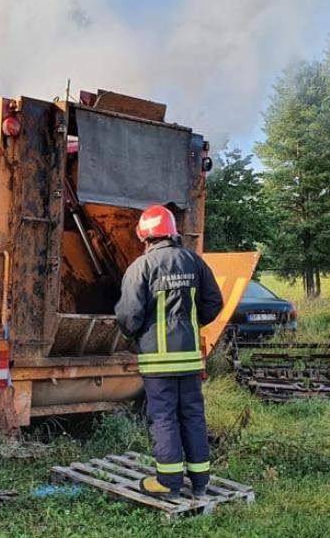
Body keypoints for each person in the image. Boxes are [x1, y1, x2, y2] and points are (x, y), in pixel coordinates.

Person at [115, 205, 223, 498]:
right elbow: (214, 303)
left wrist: (133, 334)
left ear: (144, 236)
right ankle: (200, 481)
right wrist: (190, 322)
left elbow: (128, 316)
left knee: (163, 417)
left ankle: (168, 482)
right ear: (172, 232)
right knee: (192, 415)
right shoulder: (193, 261)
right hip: (188, 359)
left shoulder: (141, 267)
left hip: (157, 362)